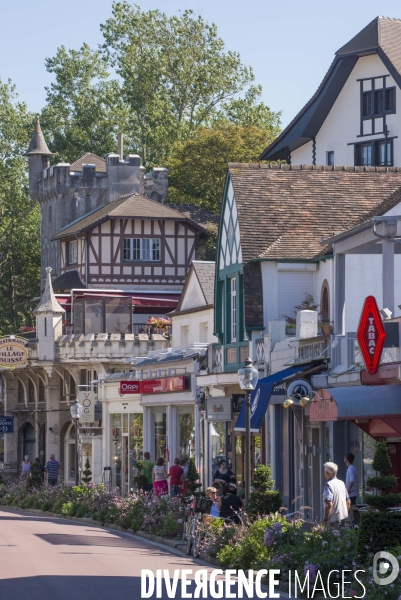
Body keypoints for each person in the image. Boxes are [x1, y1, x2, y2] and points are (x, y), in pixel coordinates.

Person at [322, 462, 350, 526]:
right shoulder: (341, 483)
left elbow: (329, 504)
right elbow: (348, 501)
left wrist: (325, 520)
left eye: (324, 472)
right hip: (343, 517)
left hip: (333, 519)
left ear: (327, 473)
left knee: (333, 535)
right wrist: (345, 513)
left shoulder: (328, 485)